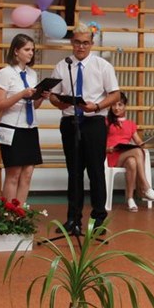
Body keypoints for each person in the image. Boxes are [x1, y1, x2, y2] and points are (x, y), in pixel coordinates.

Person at [50, 24, 121, 234]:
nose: (81, 47)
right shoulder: (62, 66)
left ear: (91, 44)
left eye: (85, 43)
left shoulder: (102, 66)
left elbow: (115, 94)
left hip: (93, 121)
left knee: (96, 171)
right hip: (70, 122)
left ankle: (98, 219)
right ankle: (73, 219)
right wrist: (58, 102)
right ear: (72, 42)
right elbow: (53, 95)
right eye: (77, 42)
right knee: (74, 173)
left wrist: (97, 106)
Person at [0, 33, 49, 204]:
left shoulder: (32, 74)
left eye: (32, 49)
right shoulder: (5, 73)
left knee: (27, 174)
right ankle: (8, 214)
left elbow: (34, 105)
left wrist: (41, 97)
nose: (31, 53)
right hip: (11, 127)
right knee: (14, 174)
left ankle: (19, 213)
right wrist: (21, 94)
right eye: (27, 49)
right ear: (16, 51)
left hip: (30, 127)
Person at [105, 93, 154, 212]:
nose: (117, 108)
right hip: (112, 156)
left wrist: (141, 143)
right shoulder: (106, 122)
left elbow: (138, 141)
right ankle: (145, 187)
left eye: (120, 105)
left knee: (132, 162)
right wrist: (108, 148)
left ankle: (130, 199)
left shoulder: (130, 124)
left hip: (126, 155)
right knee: (137, 151)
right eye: (114, 105)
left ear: (125, 106)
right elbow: (99, 142)